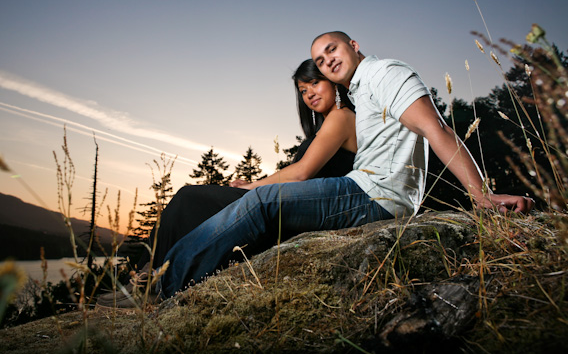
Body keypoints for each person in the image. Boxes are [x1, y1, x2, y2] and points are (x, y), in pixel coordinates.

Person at [152, 31, 534, 300]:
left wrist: (480, 195)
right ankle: (172, 280)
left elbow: (437, 130)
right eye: (319, 60)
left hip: (374, 194)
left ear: (353, 45)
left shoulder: (385, 73)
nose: (326, 61)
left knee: (263, 202)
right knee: (261, 205)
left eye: (331, 50)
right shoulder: (361, 91)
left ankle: (163, 286)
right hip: (364, 189)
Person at [97, 59, 358, 307]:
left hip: (296, 211)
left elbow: (301, 173)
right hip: (286, 205)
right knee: (189, 205)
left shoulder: (342, 116)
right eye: (302, 90)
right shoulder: (327, 124)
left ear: (333, 82)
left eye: (315, 83)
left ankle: (147, 282)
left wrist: (251, 187)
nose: (309, 93)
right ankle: (146, 278)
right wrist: (255, 183)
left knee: (189, 199)